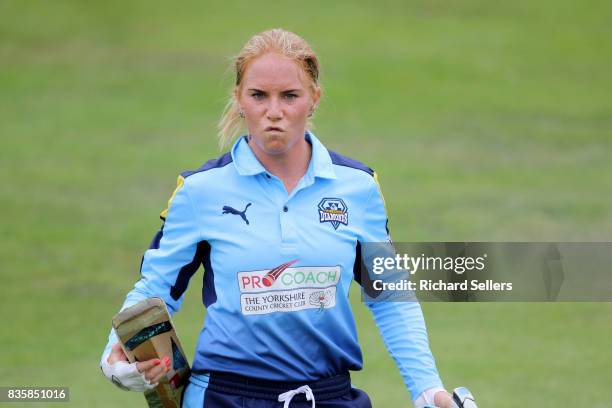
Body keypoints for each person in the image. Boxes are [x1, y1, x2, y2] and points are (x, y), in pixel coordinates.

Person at [100, 28, 457, 408]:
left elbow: (389, 295)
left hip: (328, 397)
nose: (274, 111)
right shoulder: (199, 191)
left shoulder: (358, 187)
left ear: (314, 99)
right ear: (239, 99)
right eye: (259, 96)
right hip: (224, 398)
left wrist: (426, 388)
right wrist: (116, 351)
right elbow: (155, 289)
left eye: (290, 96)